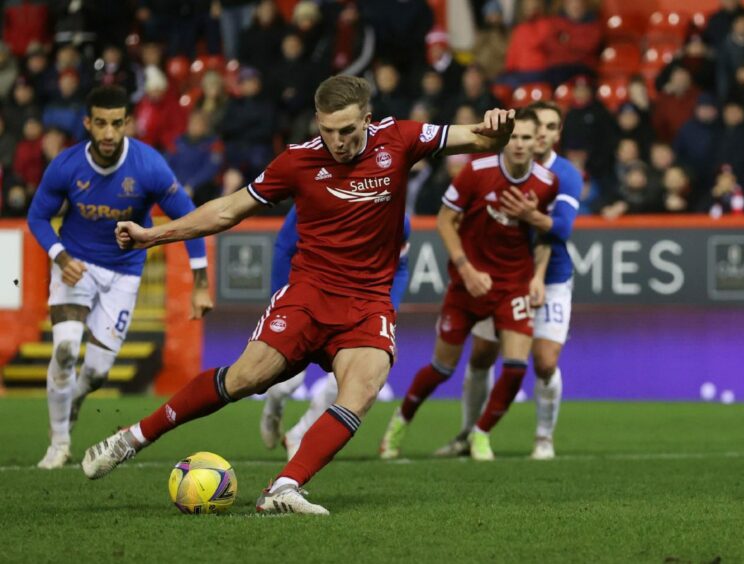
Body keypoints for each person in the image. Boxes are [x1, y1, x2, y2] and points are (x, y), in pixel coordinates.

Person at [80, 75, 516, 516]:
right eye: (328, 131)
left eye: (348, 131)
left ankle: (284, 487)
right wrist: (153, 235)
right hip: (309, 293)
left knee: (363, 387)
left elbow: (478, 137)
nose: (338, 142)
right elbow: (228, 209)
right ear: (317, 123)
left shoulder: (400, 138)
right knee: (245, 378)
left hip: (366, 302)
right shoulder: (297, 161)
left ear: (368, 119)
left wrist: (496, 127)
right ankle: (131, 438)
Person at [26, 85, 212, 469]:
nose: (109, 133)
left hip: (125, 274)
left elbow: (189, 217)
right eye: (100, 124)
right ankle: (59, 443)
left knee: (96, 373)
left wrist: (200, 282)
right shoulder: (66, 165)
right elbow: (37, 216)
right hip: (74, 265)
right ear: (87, 124)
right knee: (64, 349)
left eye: (116, 123)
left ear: (127, 122)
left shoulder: (148, 166)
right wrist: (59, 256)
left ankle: (76, 397)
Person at [378, 108, 558, 462]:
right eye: (514, 136)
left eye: (526, 137)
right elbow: (446, 221)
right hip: (467, 284)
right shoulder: (476, 172)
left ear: (536, 141)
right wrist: (466, 268)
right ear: (505, 138)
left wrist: (538, 275)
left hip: (513, 285)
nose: (518, 144)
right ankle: (400, 422)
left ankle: (481, 434)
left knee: (516, 367)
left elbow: (543, 237)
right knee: (442, 367)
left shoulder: (546, 183)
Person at [434, 100, 581, 460]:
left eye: (549, 127)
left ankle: (543, 437)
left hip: (549, 278)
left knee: (544, 362)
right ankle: (469, 433)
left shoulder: (564, 176)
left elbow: (560, 228)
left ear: (556, 134)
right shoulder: (497, 167)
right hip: (502, 277)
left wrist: (533, 219)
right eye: (537, 126)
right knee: (482, 355)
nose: (542, 133)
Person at [259, 210, 412, 459]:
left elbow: (400, 267)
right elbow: (284, 248)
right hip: (306, 298)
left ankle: (299, 433)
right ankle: (273, 408)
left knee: (347, 380)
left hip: (356, 307)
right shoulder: (315, 195)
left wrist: (388, 318)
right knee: (287, 382)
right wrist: (280, 300)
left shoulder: (395, 213)